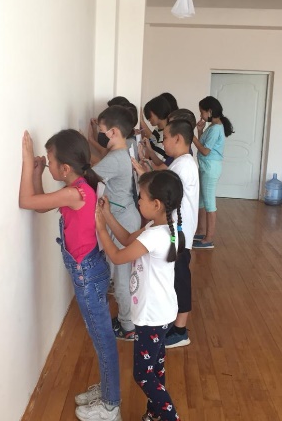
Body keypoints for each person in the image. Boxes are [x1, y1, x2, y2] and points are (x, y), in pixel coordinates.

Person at [18, 130, 121, 421]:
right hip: (91, 271)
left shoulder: (74, 193)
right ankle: (108, 390)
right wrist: (38, 173)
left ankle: (111, 406)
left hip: (88, 275)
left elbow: (26, 201)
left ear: (65, 168)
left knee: (103, 340)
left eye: (50, 161)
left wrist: (26, 160)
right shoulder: (78, 187)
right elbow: (40, 204)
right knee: (101, 339)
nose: (47, 164)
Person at [95, 170, 184, 421]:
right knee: (156, 367)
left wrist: (101, 228)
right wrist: (108, 215)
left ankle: (170, 417)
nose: (138, 201)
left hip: (152, 315)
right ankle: (155, 414)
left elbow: (117, 256)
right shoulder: (161, 227)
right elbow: (125, 239)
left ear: (156, 204)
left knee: (143, 374)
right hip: (163, 311)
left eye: (141, 197)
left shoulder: (154, 235)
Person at [132, 119, 199, 348]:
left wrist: (145, 176)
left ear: (178, 138)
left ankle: (180, 330)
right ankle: (174, 325)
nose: (164, 142)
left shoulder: (183, 165)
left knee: (180, 279)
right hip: (177, 230)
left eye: (166, 138)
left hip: (179, 232)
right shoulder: (182, 162)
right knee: (175, 277)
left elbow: (165, 191)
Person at [94, 106, 142, 340]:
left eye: (101, 130)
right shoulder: (122, 151)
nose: (99, 134)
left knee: (121, 280)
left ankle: (128, 326)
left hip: (122, 219)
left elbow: (88, 177)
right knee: (123, 276)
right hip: (125, 215)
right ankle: (127, 318)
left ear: (113, 132)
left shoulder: (114, 158)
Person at [192, 96, 234, 249]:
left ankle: (208, 239)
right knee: (201, 201)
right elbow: (204, 144)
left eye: (202, 112)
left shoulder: (216, 128)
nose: (201, 115)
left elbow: (205, 151)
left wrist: (191, 137)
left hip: (210, 169)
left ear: (209, 111)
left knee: (209, 203)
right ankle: (201, 231)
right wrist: (199, 131)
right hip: (206, 167)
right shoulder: (213, 126)